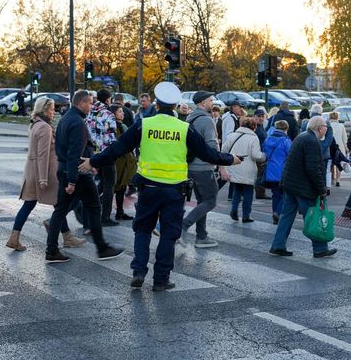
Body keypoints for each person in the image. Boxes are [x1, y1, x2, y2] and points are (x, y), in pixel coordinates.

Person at [79, 82, 240, 291]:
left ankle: (138, 271)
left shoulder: (143, 125)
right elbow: (208, 154)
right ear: (174, 106)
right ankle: (161, 279)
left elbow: (117, 148)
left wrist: (93, 161)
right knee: (168, 234)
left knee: (143, 230)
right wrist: (231, 159)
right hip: (174, 191)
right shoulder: (184, 128)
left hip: (148, 188)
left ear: (156, 104)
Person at [44, 89, 124, 263]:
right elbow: (73, 153)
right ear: (81, 102)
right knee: (94, 207)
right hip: (77, 173)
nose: (91, 105)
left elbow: (66, 150)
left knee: (61, 210)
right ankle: (102, 248)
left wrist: (90, 164)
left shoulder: (66, 119)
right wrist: (72, 179)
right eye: (89, 102)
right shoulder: (78, 123)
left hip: (68, 169)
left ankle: (51, 250)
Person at [7, 98, 77, 251]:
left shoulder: (35, 124)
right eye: (52, 109)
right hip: (44, 173)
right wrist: (43, 178)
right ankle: (67, 237)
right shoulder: (45, 127)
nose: (54, 112)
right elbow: (43, 154)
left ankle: (14, 237)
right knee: (59, 204)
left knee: (31, 205)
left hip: (32, 171)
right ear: (45, 110)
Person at [269, 116, 337, 258]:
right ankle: (320, 249)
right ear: (319, 128)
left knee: (286, 216)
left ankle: (278, 245)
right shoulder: (312, 141)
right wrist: (321, 190)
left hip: (290, 184)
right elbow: (313, 169)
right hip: (302, 187)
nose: (327, 129)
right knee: (313, 216)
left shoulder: (302, 137)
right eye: (326, 127)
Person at [180, 91, 220, 248]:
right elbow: (212, 145)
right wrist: (219, 162)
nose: (212, 103)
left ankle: (202, 236)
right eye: (210, 100)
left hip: (190, 167)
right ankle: (184, 225)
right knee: (210, 201)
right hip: (204, 167)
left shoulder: (189, 118)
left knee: (202, 201)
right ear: (203, 103)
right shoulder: (206, 121)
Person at [222, 116, 266, 223]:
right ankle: (246, 215)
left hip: (234, 166)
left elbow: (224, 149)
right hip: (248, 169)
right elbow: (256, 155)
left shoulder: (233, 135)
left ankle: (234, 209)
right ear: (253, 127)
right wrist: (264, 156)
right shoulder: (254, 138)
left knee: (237, 189)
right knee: (248, 192)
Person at [87, 88, 119, 227]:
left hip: (94, 152)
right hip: (106, 153)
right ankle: (105, 216)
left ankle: (87, 207)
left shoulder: (90, 112)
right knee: (109, 185)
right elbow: (111, 136)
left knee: (101, 183)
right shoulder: (108, 114)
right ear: (107, 100)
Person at [263, 120, 292, 224]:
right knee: (285, 194)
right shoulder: (286, 141)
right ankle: (278, 212)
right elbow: (291, 155)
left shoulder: (268, 139)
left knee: (275, 194)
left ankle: (275, 212)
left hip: (271, 171)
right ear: (286, 129)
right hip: (283, 172)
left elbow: (265, 153)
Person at [110, 105, 136, 221]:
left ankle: (120, 212)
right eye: (120, 112)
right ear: (113, 113)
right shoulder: (113, 126)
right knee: (113, 187)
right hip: (118, 160)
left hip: (124, 160)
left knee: (121, 187)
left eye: (122, 112)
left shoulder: (122, 125)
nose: (123, 113)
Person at [253, 108, 269, 199]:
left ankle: (261, 192)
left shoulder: (261, 127)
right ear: (254, 117)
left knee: (261, 174)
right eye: (259, 116)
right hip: (258, 154)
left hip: (262, 154)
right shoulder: (255, 127)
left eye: (263, 116)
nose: (261, 118)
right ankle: (260, 193)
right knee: (260, 174)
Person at [329, 111, 347, 187]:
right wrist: (346, 146)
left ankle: (333, 179)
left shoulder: (328, 126)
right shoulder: (341, 126)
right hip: (340, 147)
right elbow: (344, 138)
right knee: (338, 163)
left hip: (330, 146)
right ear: (337, 118)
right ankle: (338, 180)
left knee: (332, 164)